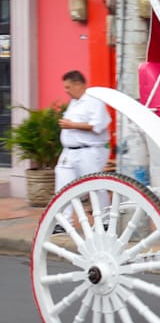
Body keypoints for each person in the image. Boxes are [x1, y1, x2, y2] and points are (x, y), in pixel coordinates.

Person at [55, 70, 111, 226]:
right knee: (63, 186)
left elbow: (97, 125)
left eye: (68, 87)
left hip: (89, 151)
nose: (66, 91)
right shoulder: (74, 102)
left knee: (95, 186)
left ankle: (104, 221)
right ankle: (63, 222)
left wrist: (72, 125)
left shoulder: (94, 101)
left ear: (78, 84)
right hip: (69, 152)